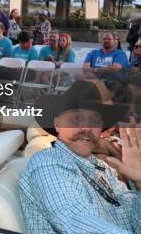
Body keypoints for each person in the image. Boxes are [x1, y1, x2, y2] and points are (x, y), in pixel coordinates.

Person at [19, 80, 139, 234]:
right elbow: (77, 221)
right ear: (58, 124)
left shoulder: (103, 169)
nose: (87, 127)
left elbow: (132, 216)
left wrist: (139, 180)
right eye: (76, 119)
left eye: (94, 121)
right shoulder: (49, 163)